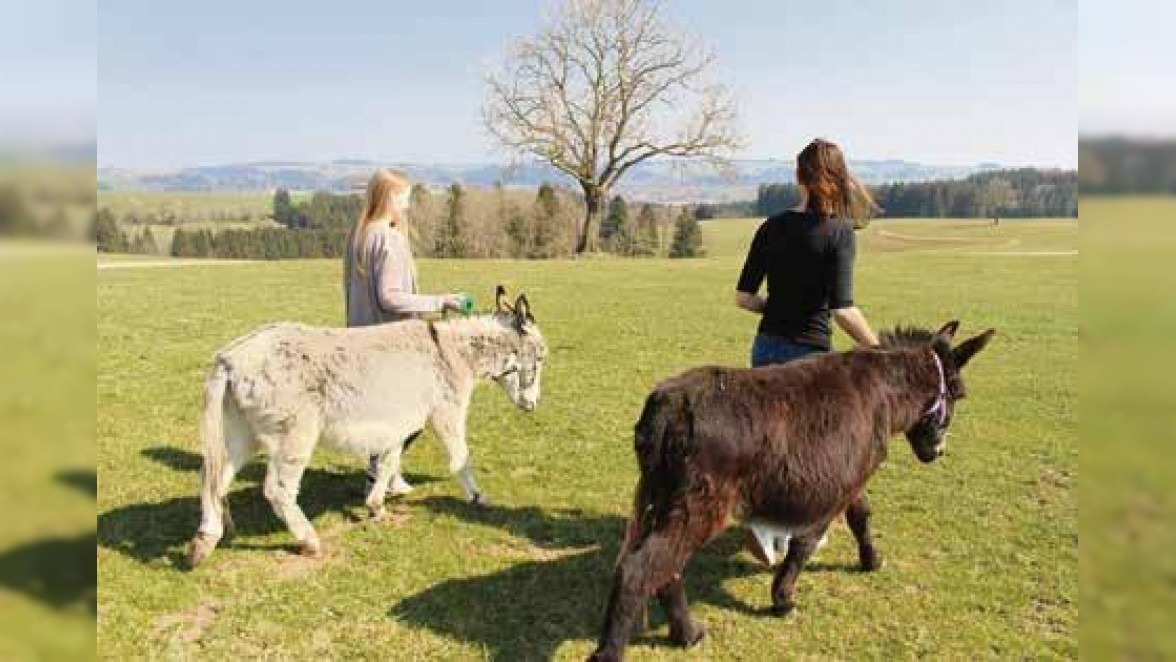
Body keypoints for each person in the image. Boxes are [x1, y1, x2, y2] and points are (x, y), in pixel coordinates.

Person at [345, 168, 464, 497]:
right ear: (391, 198)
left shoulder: (359, 236)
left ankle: (388, 475)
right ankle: (378, 474)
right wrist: (442, 301)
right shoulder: (389, 239)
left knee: (387, 411)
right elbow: (390, 296)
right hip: (390, 343)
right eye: (405, 197)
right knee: (416, 413)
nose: (408, 204)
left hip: (359, 340)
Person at [736, 138, 880, 367]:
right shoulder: (839, 231)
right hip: (809, 360)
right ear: (839, 178)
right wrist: (880, 352)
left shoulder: (771, 226)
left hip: (765, 350)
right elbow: (843, 311)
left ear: (799, 177)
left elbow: (743, 298)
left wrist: (778, 308)